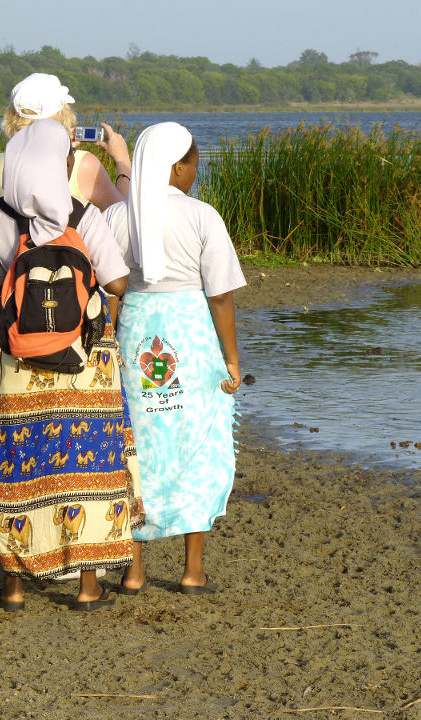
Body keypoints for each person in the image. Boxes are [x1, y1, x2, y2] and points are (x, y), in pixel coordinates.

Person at [0, 119, 142, 611]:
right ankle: (88, 586)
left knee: (22, 465)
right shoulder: (82, 215)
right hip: (84, 364)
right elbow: (118, 284)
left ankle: (15, 586)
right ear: (61, 165)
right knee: (86, 462)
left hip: (21, 365)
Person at [104, 122, 245, 594]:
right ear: (177, 168)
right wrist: (231, 358)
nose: (193, 177)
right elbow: (220, 296)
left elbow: (112, 293)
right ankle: (192, 570)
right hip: (190, 333)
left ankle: (134, 570)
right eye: (192, 168)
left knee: (137, 446)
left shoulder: (118, 217)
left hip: (136, 333)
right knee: (197, 444)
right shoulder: (203, 216)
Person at [0, 72, 131, 211]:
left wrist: (63, 150)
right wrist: (122, 160)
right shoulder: (84, 164)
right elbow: (124, 217)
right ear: (62, 113)